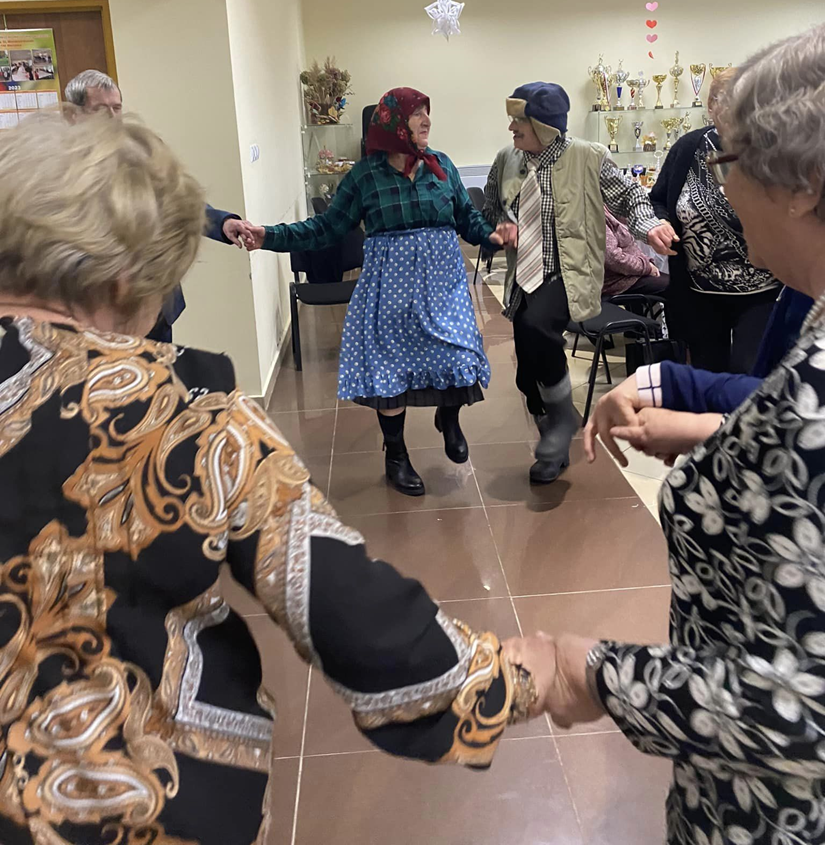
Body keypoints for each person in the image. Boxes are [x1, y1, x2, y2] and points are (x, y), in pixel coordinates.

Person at [0, 110, 555, 845]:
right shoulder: (183, 414)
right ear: (126, 275)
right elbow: (343, 605)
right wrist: (519, 678)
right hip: (128, 804)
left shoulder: (441, 169)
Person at [542, 24, 825, 845]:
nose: (719, 187)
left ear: (801, 186)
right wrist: (710, 428)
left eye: (727, 160)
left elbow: (802, 708)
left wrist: (594, 675)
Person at [244, 87, 510, 496]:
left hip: (443, 287)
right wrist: (269, 236)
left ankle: (449, 416)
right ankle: (396, 454)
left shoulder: (441, 166)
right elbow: (326, 228)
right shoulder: (365, 176)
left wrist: (491, 236)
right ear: (394, 124)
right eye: (417, 114)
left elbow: (467, 218)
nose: (427, 121)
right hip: (390, 291)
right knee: (390, 371)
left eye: (427, 113)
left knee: (458, 354)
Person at [482, 81, 677, 484]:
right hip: (523, 278)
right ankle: (552, 433)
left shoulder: (590, 157)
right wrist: (497, 229)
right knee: (527, 370)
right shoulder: (506, 160)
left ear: (545, 126)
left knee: (538, 326)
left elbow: (630, 199)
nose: (511, 128)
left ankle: (559, 423)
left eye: (519, 121)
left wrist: (650, 226)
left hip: (569, 274)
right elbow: (489, 211)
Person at [63, 69, 254, 341]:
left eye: (117, 108)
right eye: (100, 110)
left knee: (159, 366)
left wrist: (223, 223)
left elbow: (179, 201)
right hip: (91, 305)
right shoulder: (57, 167)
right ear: (73, 114)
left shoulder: (143, 150)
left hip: (151, 299)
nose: (112, 118)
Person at [650, 68, 780, 373]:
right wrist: (660, 223)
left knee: (749, 371)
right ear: (711, 107)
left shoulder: (774, 151)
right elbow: (658, 199)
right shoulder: (687, 148)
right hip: (699, 292)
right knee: (707, 372)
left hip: (762, 291)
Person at [602, 205, 669, 299]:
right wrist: (646, 267)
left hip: (630, 272)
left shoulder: (602, 206)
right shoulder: (592, 214)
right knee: (676, 287)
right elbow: (613, 258)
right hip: (618, 281)